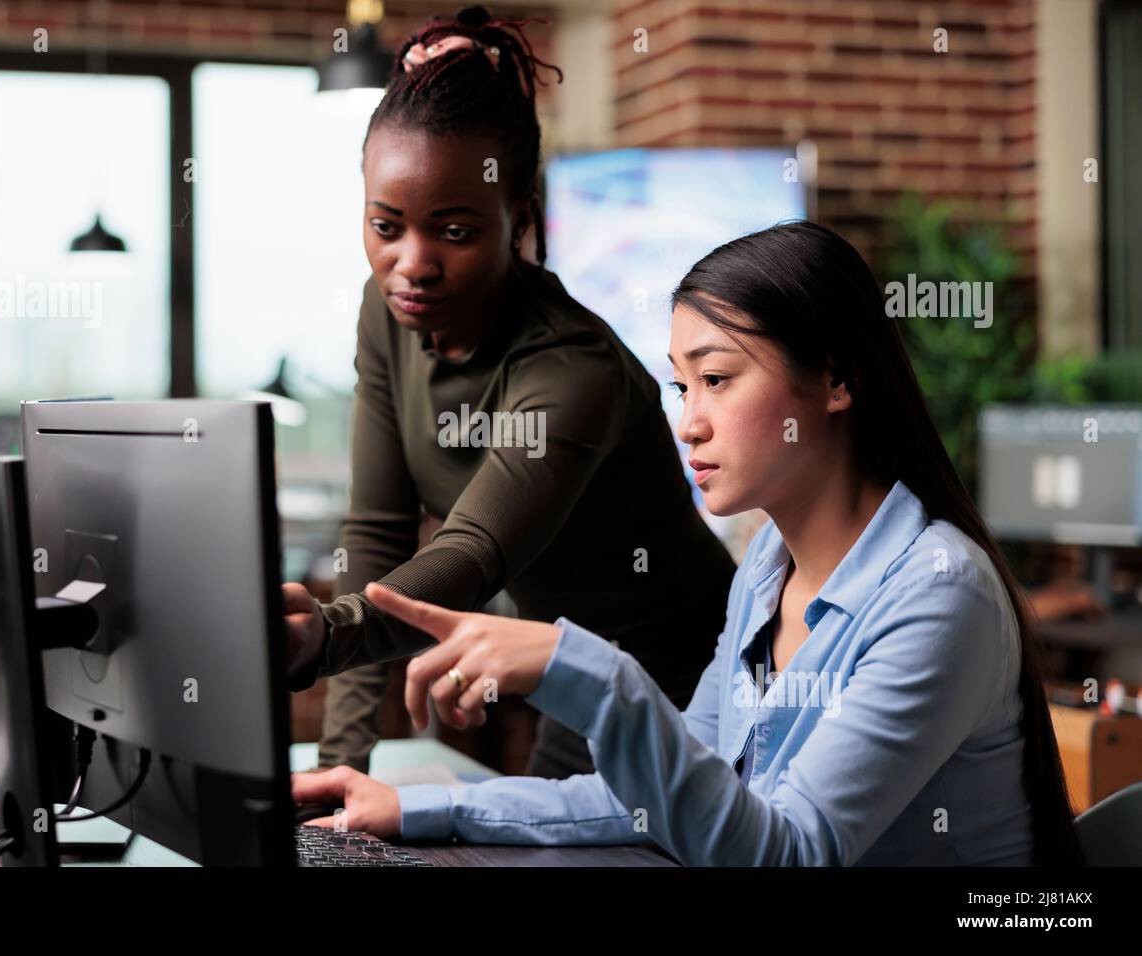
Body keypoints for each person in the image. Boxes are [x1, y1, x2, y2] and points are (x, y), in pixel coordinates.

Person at [290, 221, 1084, 866]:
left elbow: (789, 854)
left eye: (718, 378)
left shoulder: (940, 592)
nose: (688, 421)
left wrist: (588, 671)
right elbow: (656, 797)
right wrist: (416, 807)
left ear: (836, 382)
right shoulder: (765, 576)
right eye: (680, 384)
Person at [282, 5, 738, 778]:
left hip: (692, 690)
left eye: (453, 231)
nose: (412, 263)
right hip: (574, 677)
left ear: (518, 217)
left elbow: (472, 554)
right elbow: (378, 528)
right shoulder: (387, 312)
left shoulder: (571, 365)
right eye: (386, 226)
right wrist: (341, 765)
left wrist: (326, 634)